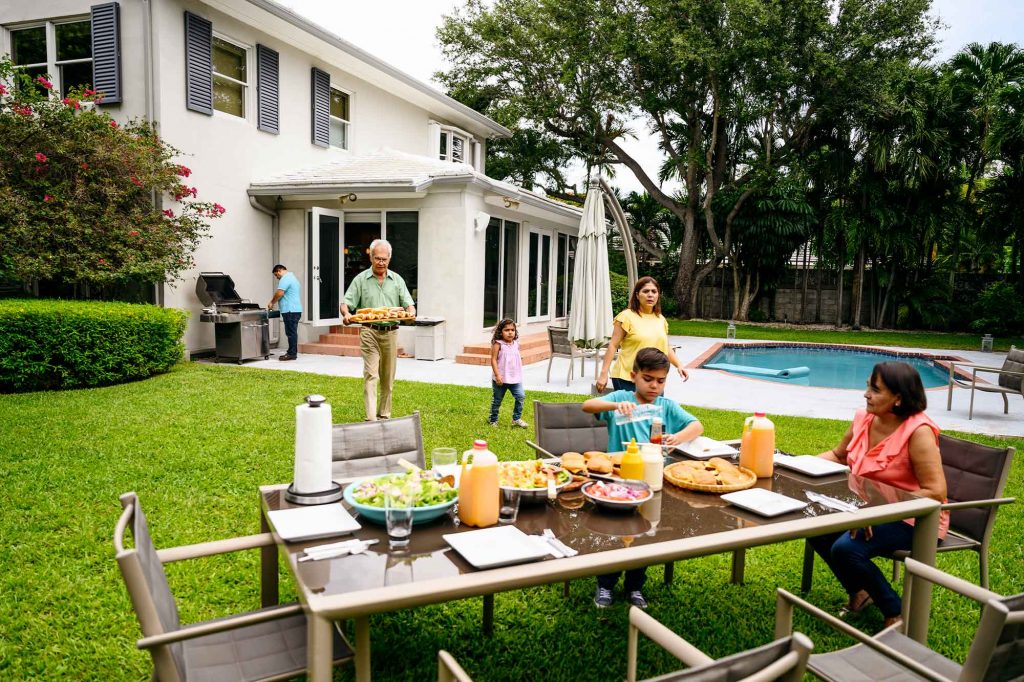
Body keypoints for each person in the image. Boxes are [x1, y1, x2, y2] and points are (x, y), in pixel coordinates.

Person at [810, 361, 948, 629]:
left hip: (915, 518)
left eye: (875, 390)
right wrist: (798, 465)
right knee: (815, 528)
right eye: (867, 387)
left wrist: (878, 511)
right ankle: (861, 594)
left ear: (898, 398)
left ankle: (894, 612)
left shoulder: (917, 432)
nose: (866, 394)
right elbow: (839, 456)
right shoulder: (865, 419)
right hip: (869, 510)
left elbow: (935, 491)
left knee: (846, 549)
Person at [582, 347, 704, 609]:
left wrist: (678, 437)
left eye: (660, 381)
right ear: (634, 375)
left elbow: (697, 426)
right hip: (619, 483)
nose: (654, 386)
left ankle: (635, 586)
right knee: (615, 534)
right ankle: (605, 584)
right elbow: (587, 405)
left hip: (653, 483)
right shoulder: (622, 399)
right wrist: (615, 404)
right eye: (648, 379)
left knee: (646, 534)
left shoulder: (666, 406)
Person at [341, 239, 415, 421]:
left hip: (391, 332)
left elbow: (408, 304)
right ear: (371, 258)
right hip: (369, 332)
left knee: (388, 378)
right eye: (377, 258)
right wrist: (346, 314)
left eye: (384, 259)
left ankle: (384, 415)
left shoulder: (397, 280)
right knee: (371, 375)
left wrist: (411, 311)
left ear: (389, 259)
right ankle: (370, 418)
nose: (381, 262)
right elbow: (346, 303)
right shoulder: (361, 280)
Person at [596, 276, 688, 394]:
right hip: (627, 378)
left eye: (654, 292)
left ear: (658, 295)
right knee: (631, 412)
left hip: (653, 378)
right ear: (637, 295)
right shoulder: (626, 317)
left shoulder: (661, 319)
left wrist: (679, 365)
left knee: (653, 412)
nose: (650, 295)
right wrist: (603, 374)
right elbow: (613, 345)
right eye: (645, 291)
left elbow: (665, 347)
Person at [489, 318, 528, 428]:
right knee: (497, 400)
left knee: (520, 396)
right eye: (507, 330)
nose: (510, 332)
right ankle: (493, 419)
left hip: (515, 378)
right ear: (500, 332)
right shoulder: (498, 344)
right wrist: (497, 375)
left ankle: (516, 418)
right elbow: (493, 359)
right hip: (501, 378)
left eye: (512, 330)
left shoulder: (516, 343)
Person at [268, 264, 301, 361]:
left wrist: (271, 302)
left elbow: (280, 293)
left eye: (276, 275)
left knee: (291, 333)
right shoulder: (293, 277)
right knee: (292, 332)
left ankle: (292, 354)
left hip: (290, 310)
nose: (277, 277)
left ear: (279, 271)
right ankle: (292, 352)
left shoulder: (285, 278)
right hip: (295, 309)